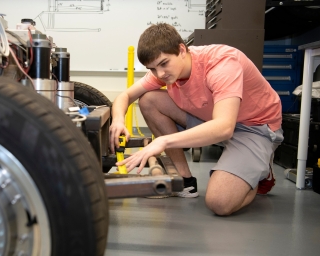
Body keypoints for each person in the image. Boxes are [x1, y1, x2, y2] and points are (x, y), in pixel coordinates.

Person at [109, 23, 283, 216]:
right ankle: (185, 181)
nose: (159, 74)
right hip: (211, 119)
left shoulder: (221, 64)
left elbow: (224, 127)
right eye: (152, 69)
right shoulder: (166, 71)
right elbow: (124, 97)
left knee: (220, 203)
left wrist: (163, 141)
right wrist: (118, 120)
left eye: (164, 64)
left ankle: (260, 172)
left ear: (182, 50)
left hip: (254, 128)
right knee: (149, 100)